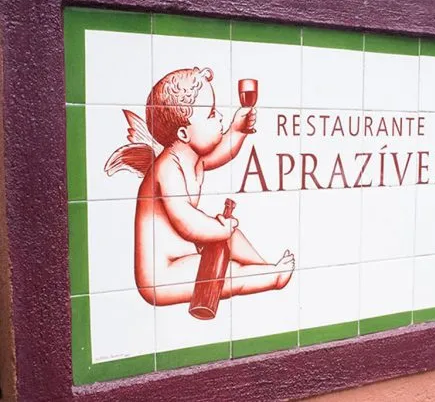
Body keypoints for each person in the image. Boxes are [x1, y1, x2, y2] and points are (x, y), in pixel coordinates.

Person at [105, 67, 295, 307]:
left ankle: (263, 268)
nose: (219, 117)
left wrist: (237, 131)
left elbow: (222, 152)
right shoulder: (168, 169)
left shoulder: (193, 158)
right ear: (184, 133)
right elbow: (187, 222)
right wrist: (219, 229)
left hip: (182, 258)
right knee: (221, 273)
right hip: (162, 276)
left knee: (230, 236)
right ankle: (271, 278)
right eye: (211, 113)